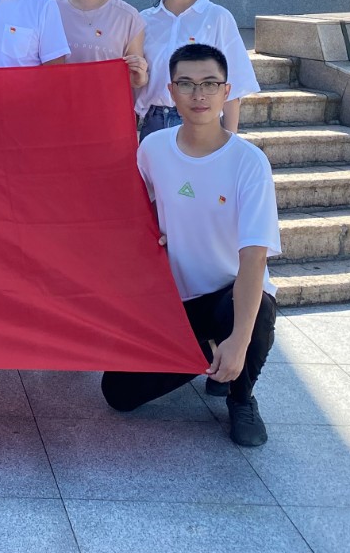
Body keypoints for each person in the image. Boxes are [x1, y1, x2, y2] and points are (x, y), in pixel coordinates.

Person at [100, 44, 279, 448]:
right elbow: (134, 212)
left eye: (210, 84)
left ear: (226, 91)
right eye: (186, 84)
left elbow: (254, 258)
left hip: (228, 295)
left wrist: (239, 342)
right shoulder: (153, 149)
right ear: (171, 91)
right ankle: (210, 357)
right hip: (173, 303)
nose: (199, 95)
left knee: (259, 310)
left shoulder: (248, 162)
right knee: (118, 394)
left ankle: (241, 397)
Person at [131, 0, 259, 139]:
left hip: (202, 123)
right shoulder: (143, 20)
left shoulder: (217, 17)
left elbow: (233, 87)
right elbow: (135, 86)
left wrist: (231, 143)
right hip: (154, 126)